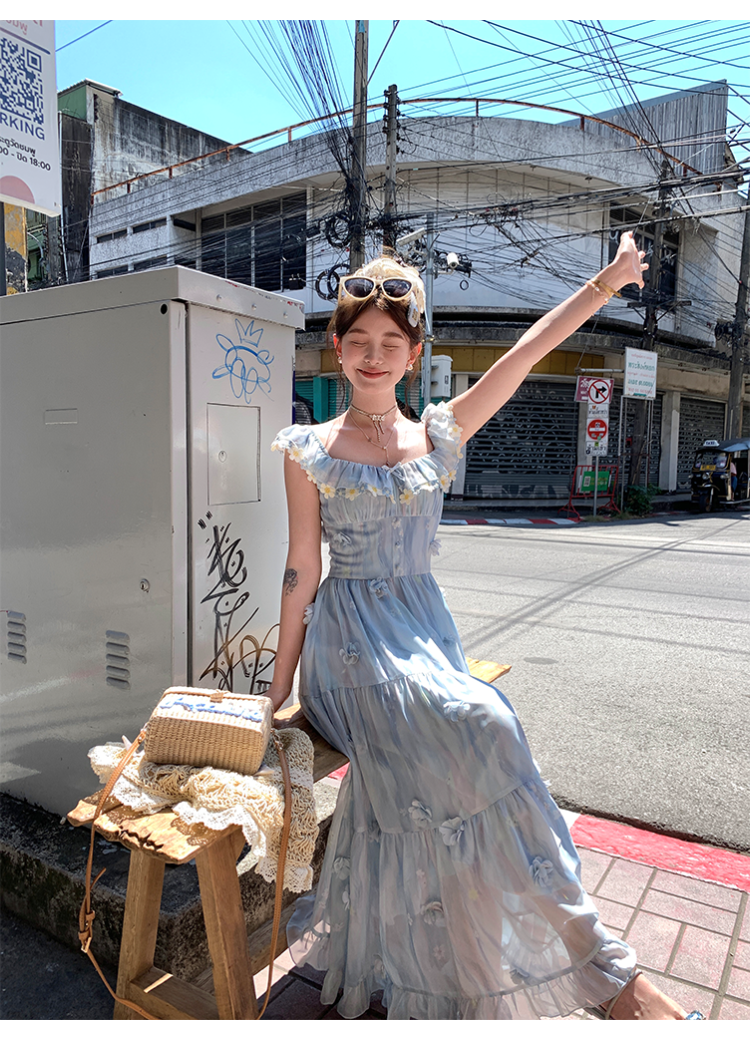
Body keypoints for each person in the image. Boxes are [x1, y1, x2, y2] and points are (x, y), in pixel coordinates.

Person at [268, 234, 702, 1021]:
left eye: (390, 343)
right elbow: (301, 568)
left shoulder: (439, 431)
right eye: (359, 341)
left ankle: (498, 968)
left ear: (414, 355)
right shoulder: (309, 451)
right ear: (336, 348)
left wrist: (607, 282)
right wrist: (275, 693)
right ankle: (610, 981)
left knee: (465, 755)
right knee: (483, 724)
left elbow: (527, 353)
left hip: (420, 634)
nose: (373, 356)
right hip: (348, 643)